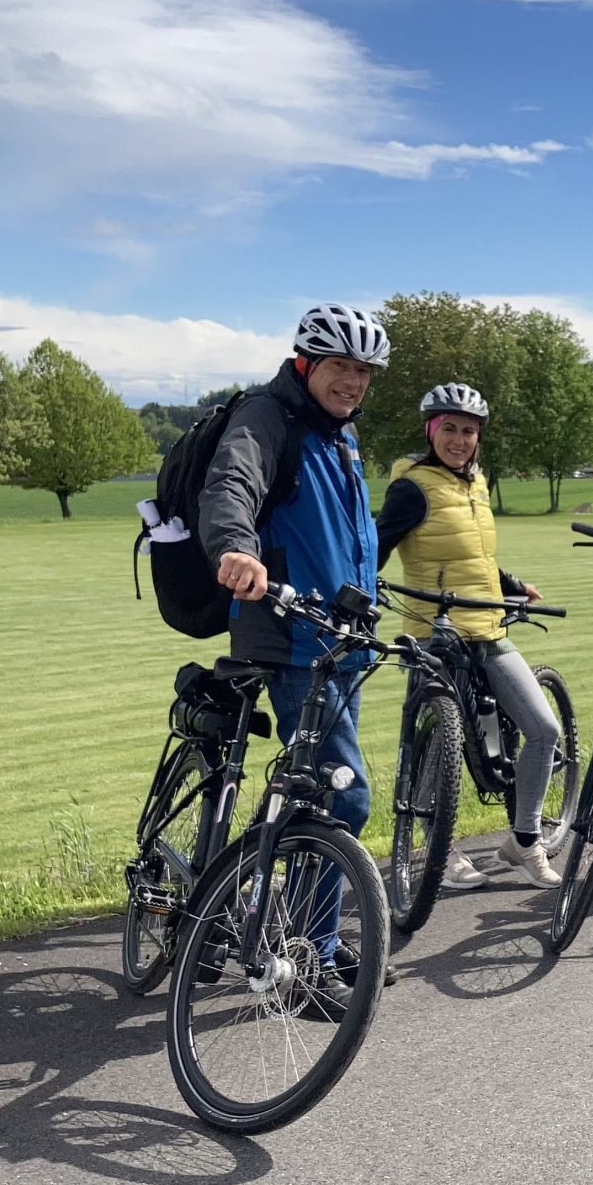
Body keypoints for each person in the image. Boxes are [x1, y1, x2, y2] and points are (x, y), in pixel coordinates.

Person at [200, 302, 393, 1010]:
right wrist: (235, 548)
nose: (353, 382)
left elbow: (346, 535)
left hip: (338, 642)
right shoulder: (267, 417)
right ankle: (311, 959)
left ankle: (272, 926)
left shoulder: (341, 435)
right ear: (305, 363)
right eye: (341, 366)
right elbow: (232, 483)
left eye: (364, 372)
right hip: (288, 638)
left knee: (311, 792)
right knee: (344, 795)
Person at [375, 384, 563, 890]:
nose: (459, 440)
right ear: (431, 431)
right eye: (450, 429)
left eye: (469, 431)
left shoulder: (475, 484)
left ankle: (524, 841)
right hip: (434, 635)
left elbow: (471, 557)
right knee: (440, 743)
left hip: (487, 627)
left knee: (543, 730)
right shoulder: (412, 488)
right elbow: (376, 546)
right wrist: (357, 595)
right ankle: (439, 849)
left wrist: (511, 584)